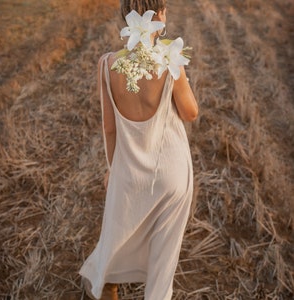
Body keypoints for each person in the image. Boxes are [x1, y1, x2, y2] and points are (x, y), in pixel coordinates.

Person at [79, 0, 198, 299]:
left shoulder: (108, 64)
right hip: (172, 174)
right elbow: (190, 112)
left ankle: (105, 281)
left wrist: (112, 168)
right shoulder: (171, 57)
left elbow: (109, 128)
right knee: (163, 266)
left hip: (130, 172)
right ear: (159, 15)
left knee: (118, 234)